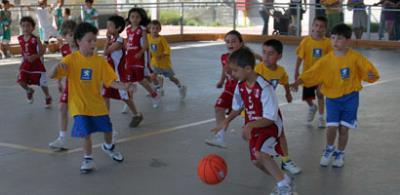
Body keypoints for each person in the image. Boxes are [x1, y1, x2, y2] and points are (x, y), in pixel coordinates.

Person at [290, 24, 380, 168]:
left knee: (343, 129)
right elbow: (312, 73)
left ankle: (340, 152)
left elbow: (369, 71)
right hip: (332, 99)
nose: (335, 41)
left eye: (339, 38)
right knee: (331, 127)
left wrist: (371, 75)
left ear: (348, 41)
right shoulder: (326, 60)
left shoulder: (356, 58)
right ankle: (329, 148)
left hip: (351, 98)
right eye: (333, 38)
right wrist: (298, 82)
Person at [212, 47, 295, 194]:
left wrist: (249, 125)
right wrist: (227, 120)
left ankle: (284, 187)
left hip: (271, 125)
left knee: (260, 154)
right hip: (255, 126)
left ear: (248, 69)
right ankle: (284, 179)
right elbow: (238, 107)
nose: (232, 74)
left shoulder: (265, 88)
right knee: (256, 161)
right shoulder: (240, 86)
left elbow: (270, 117)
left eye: (235, 70)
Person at [50, 22, 128, 173]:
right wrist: (56, 68)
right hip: (78, 105)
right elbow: (52, 75)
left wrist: (124, 86)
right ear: (79, 41)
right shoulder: (71, 60)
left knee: (108, 130)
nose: (93, 43)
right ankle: (88, 159)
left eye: (94, 40)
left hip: (97, 105)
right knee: (86, 132)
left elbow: (110, 81)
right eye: (89, 40)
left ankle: (108, 146)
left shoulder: (100, 62)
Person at [254, 39, 302, 175]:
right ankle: (265, 160)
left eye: (270, 53)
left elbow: (285, 81)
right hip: (258, 110)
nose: (266, 56)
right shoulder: (257, 70)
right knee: (260, 138)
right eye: (264, 53)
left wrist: (288, 94)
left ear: (279, 56)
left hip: (272, 108)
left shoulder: (280, 71)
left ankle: (286, 161)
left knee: (280, 133)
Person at [204, 30, 245, 148]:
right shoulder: (224, 57)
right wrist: (221, 80)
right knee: (218, 108)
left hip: (241, 91)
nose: (230, 44)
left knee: (243, 115)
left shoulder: (243, 59)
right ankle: (220, 137)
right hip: (229, 89)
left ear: (240, 43)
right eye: (227, 42)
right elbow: (224, 69)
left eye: (233, 41)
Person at [103, 15, 143, 128]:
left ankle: (137, 114)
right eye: (107, 26)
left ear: (118, 28)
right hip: (109, 74)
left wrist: (107, 40)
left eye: (110, 26)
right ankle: (105, 119)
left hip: (118, 75)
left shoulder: (119, 41)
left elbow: (106, 52)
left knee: (125, 97)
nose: (108, 28)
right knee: (105, 95)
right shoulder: (112, 40)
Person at [294, 16, 332, 128]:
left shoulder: (328, 43)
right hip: (308, 75)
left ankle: (321, 117)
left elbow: (331, 60)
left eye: (321, 26)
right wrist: (296, 71)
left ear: (325, 29)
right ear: (312, 26)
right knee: (307, 97)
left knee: (320, 95)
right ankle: (312, 107)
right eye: (316, 25)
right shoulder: (306, 41)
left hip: (322, 75)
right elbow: (299, 57)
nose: (318, 28)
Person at [49, 20, 77, 150]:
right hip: (69, 83)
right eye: (67, 35)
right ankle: (62, 139)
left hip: (84, 85)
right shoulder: (65, 49)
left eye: (72, 34)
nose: (70, 37)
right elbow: (63, 65)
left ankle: (109, 130)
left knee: (91, 113)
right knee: (62, 108)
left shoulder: (84, 47)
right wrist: (59, 80)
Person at [125, 7, 161, 108]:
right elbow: (128, 42)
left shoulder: (142, 30)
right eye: (132, 17)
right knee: (129, 81)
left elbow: (146, 44)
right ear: (129, 18)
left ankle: (155, 95)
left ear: (141, 18)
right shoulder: (128, 29)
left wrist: (140, 52)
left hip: (139, 58)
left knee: (141, 80)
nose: (134, 19)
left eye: (137, 17)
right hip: (130, 58)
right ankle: (129, 101)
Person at [17, 16, 52, 108]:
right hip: (26, 64)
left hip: (37, 64)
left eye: (28, 26)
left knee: (42, 84)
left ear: (32, 28)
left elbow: (42, 51)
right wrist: (22, 61)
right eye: (23, 26)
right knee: (20, 80)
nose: (25, 28)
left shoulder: (35, 39)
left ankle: (47, 97)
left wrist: (35, 56)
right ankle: (29, 90)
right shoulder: (20, 39)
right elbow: (23, 50)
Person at [147, 20, 187, 100]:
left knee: (171, 78)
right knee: (152, 77)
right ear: (150, 29)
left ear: (159, 30)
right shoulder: (148, 37)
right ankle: (159, 89)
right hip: (155, 62)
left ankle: (181, 87)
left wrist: (161, 55)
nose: (154, 30)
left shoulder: (162, 39)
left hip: (164, 63)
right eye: (153, 28)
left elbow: (167, 50)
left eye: (157, 28)